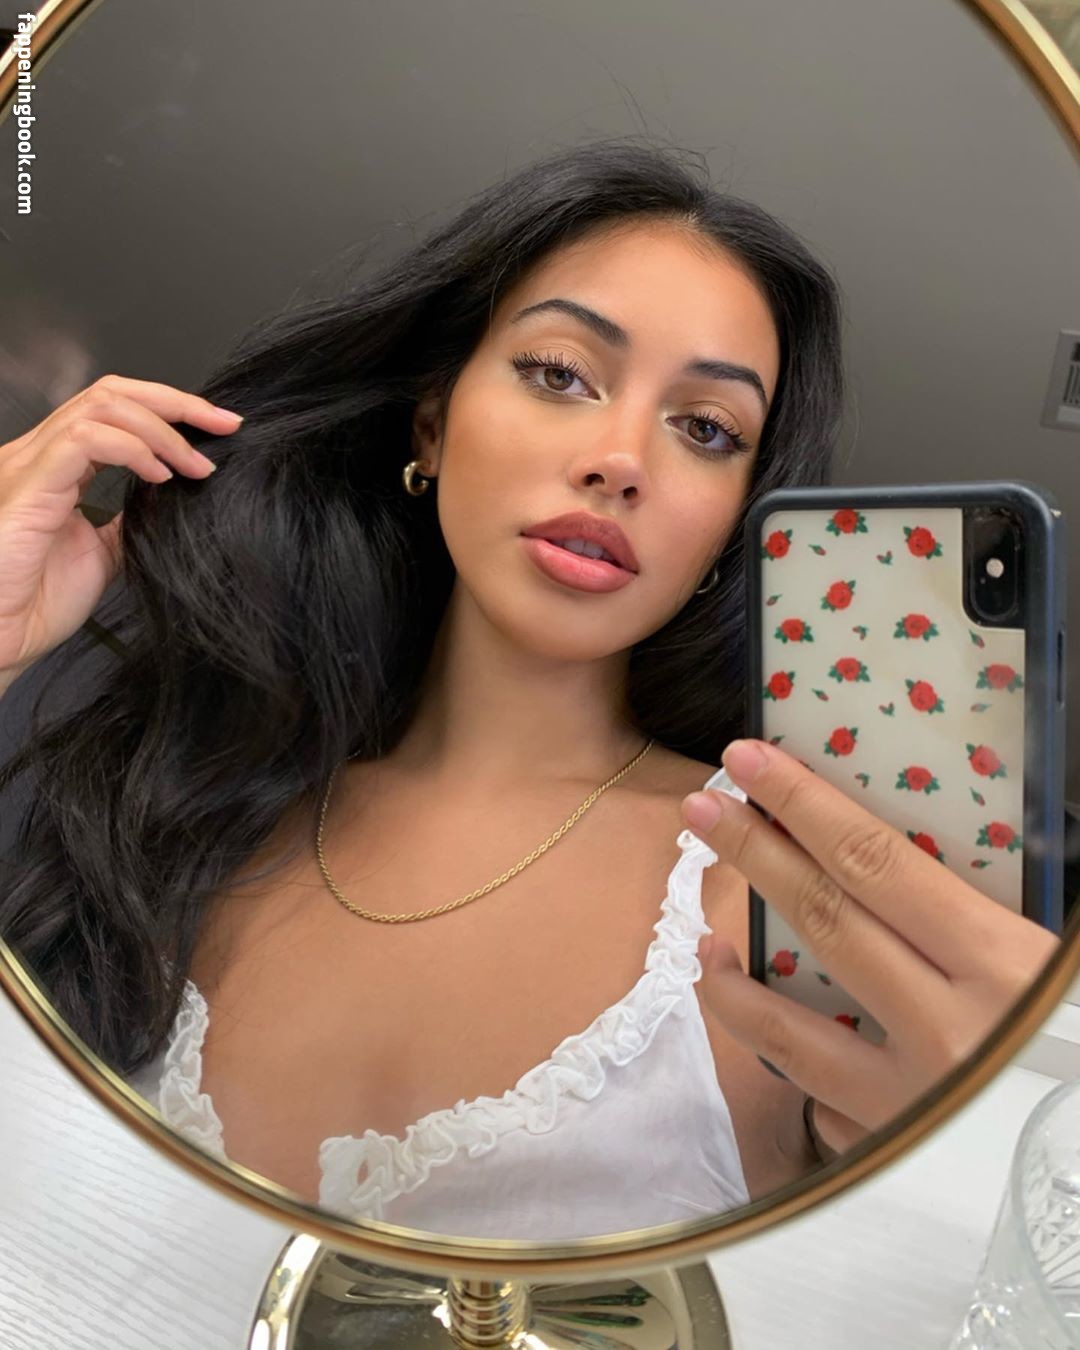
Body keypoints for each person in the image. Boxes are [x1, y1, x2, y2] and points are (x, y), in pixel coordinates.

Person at [0, 140, 1058, 1239]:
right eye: (560, 373)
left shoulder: (787, 898)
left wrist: (958, 1150)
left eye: (706, 429)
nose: (620, 459)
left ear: (733, 527)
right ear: (433, 424)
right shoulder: (197, 794)